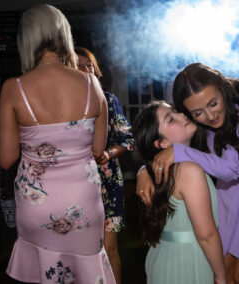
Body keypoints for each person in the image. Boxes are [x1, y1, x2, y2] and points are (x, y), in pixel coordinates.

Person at [0, 4, 115, 283]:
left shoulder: (15, 88)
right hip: (82, 201)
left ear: (26, 39)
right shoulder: (90, 84)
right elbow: (99, 150)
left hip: (38, 205)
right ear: (64, 35)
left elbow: (5, 159)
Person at [137, 63, 239, 284]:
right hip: (228, 195)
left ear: (221, 87)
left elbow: (234, 169)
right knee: (222, 267)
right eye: (197, 113)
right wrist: (145, 171)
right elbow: (166, 147)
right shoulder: (196, 122)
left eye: (213, 103)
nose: (210, 115)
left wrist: (176, 151)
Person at [133, 100, 226, 284]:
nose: (182, 115)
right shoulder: (188, 170)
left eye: (176, 111)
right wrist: (221, 276)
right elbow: (207, 236)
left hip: (162, 258)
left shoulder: (158, 172)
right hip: (188, 261)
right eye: (171, 118)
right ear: (162, 143)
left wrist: (142, 170)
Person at [75, 46, 134, 283]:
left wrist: (108, 155)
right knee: (81, 251)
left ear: (96, 69)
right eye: (77, 66)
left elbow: (127, 140)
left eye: (88, 65)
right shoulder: (64, 104)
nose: (84, 70)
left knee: (109, 250)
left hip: (107, 181)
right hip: (75, 182)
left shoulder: (109, 100)